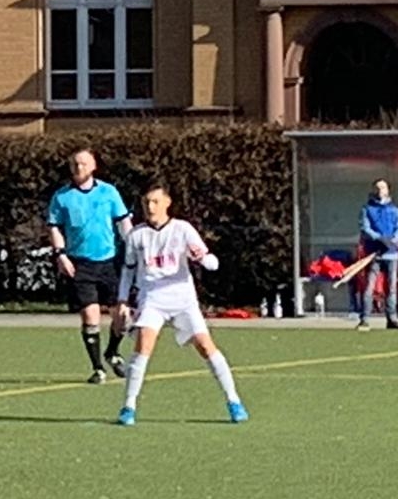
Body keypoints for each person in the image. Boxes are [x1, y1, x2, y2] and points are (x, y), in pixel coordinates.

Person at [114, 180, 247, 426]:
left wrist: (202, 258)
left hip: (183, 300)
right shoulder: (136, 235)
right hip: (152, 300)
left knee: (206, 346)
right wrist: (122, 300)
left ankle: (234, 401)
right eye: (146, 202)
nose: (150, 207)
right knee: (143, 346)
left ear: (167, 203)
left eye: (155, 202)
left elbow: (213, 263)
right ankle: (128, 406)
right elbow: (128, 270)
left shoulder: (183, 229)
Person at [46, 148, 133, 384]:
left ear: (93, 166)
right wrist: (61, 255)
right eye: (75, 164)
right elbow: (54, 227)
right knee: (90, 315)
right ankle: (98, 368)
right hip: (80, 264)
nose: (79, 168)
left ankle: (112, 352)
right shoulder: (62, 197)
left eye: (84, 163)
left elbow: (123, 222)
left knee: (122, 315)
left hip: (109, 262)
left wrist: (134, 249)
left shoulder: (108, 192)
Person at [357, 178, 398, 331]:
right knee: (369, 287)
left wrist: (391, 241)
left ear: (388, 190)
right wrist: (379, 239)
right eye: (377, 188)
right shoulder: (367, 209)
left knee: (391, 288)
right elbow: (365, 228)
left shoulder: (395, 210)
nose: (380, 191)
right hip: (374, 254)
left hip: (391, 254)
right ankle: (364, 319)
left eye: (383, 188)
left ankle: (392, 319)